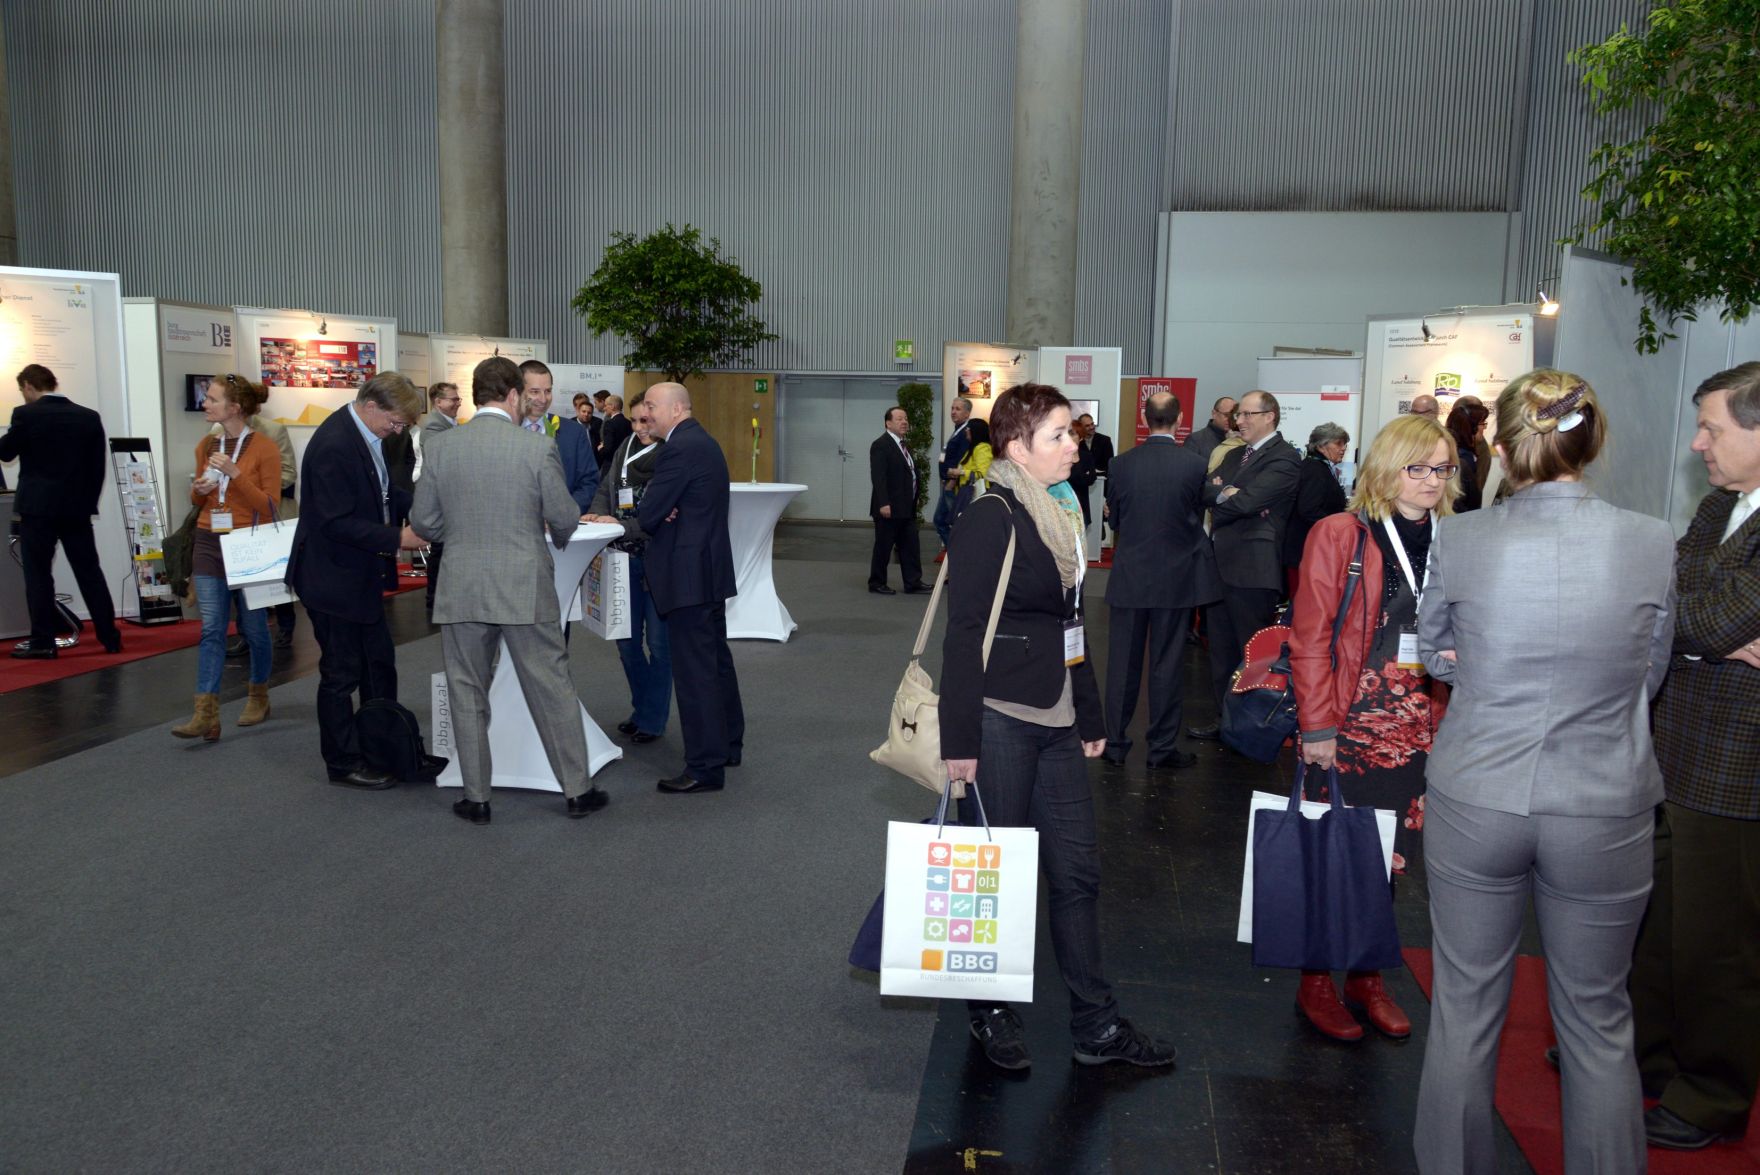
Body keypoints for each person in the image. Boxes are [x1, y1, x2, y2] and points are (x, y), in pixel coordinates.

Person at [1411, 370, 1675, 1173]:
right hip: (1603, 801)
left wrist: (1482, 669)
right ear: (1591, 440)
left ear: (1498, 444)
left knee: (1464, 1006)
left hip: (1479, 792)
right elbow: (1650, 673)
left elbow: (1432, 653)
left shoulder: (1459, 537)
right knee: (1597, 1017)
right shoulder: (1653, 539)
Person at [941, 382, 1177, 1072]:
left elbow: (1071, 620)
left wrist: (1091, 710)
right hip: (999, 720)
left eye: (1072, 433)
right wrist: (960, 742)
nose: (1075, 444)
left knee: (1077, 872)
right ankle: (989, 1011)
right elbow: (963, 633)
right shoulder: (991, 514)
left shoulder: (1061, 512)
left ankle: (1095, 1024)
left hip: (1057, 718)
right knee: (996, 878)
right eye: (1059, 435)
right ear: (1017, 446)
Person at [1288, 413, 1457, 1043]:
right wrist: (1317, 726)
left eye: (1441, 468)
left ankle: (1367, 977)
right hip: (1348, 720)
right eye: (1418, 467)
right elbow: (1308, 637)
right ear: (1387, 468)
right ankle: (1315, 982)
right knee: (1333, 854)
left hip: (1420, 725)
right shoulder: (1341, 533)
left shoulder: (1454, 537)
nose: (1431, 480)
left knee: (1389, 862)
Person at [1632, 360, 1760, 1152]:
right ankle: (1648, 1058)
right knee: (1657, 921)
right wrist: (1708, 633)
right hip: (1675, 745)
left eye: (1712, 425)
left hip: (1739, 766)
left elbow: (1707, 621)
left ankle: (1712, 1093)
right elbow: (1667, 596)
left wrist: (1702, 629)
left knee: (1719, 939)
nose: (1698, 442)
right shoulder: (1720, 503)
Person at [410, 356, 608, 825]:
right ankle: (577, 791)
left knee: (466, 689)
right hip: (525, 585)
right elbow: (563, 517)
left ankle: (476, 797)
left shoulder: (442, 447)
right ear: (515, 394)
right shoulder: (534, 450)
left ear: (475, 395)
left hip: (461, 586)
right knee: (552, 686)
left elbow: (424, 522)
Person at [285, 372, 428, 789]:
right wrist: (397, 537)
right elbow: (334, 522)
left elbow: (385, 493)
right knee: (341, 675)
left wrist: (424, 507)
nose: (398, 431)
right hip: (332, 580)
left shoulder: (366, 436)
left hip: (356, 577)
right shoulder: (334, 445)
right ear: (371, 407)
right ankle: (343, 762)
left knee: (379, 667)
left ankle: (383, 748)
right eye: (396, 423)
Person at [635, 382, 745, 794]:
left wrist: (661, 510)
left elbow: (648, 513)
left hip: (687, 577)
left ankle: (703, 766)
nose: (646, 414)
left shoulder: (680, 448)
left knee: (695, 674)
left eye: (651, 406)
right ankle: (728, 744)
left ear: (677, 408)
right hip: (707, 572)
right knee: (715, 663)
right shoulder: (704, 441)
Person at [1101, 391, 1219, 770]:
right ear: (1180, 418)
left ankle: (1115, 744)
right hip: (1176, 577)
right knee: (1167, 664)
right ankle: (1161, 748)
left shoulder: (1120, 464)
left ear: (1144, 416)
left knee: (1122, 665)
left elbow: (1115, 521)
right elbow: (1197, 514)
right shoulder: (1195, 465)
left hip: (1131, 575)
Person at [173, 375, 281, 740]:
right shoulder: (207, 444)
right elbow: (198, 500)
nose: (205, 403)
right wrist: (199, 489)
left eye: (212, 399)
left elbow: (269, 506)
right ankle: (206, 712)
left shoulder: (264, 447)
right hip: (208, 541)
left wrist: (234, 474)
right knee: (212, 629)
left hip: (249, 544)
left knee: (253, 628)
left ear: (234, 408)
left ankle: (259, 694)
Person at [1191, 390, 1301, 740]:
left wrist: (1229, 495)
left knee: (1250, 652)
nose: (1239, 421)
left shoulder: (1285, 458)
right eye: (1238, 415)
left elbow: (1248, 502)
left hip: (1253, 570)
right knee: (1220, 649)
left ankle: (1249, 725)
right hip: (1220, 563)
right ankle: (1225, 720)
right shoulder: (1236, 454)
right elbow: (1205, 491)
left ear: (1270, 416)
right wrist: (1228, 493)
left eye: (1247, 415)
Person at [0, 363, 122, 658]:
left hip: (37, 509)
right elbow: (97, 468)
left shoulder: (26, 414)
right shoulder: (88, 417)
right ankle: (110, 637)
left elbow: (5, 453)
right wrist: (86, 502)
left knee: (39, 575)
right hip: (76, 510)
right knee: (89, 571)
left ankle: (43, 642)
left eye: (22, 390)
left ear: (28, 386)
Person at [585, 390, 671, 743]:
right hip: (622, 557)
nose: (639, 427)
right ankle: (643, 709)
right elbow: (608, 486)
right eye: (634, 421)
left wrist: (617, 521)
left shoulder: (670, 454)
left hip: (658, 561)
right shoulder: (625, 448)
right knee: (626, 642)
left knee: (661, 645)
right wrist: (597, 513)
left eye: (646, 420)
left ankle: (652, 718)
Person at [518, 361, 598, 513]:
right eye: (534, 392)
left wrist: (563, 514)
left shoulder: (573, 432)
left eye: (548, 391)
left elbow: (589, 482)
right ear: (518, 391)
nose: (543, 399)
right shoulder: (505, 433)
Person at [1283, 422, 1350, 596]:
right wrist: (1337, 528)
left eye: (1345, 444)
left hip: (1310, 551)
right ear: (1321, 446)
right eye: (1338, 443)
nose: (1343, 448)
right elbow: (1308, 509)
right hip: (1305, 552)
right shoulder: (1314, 470)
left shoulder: (1318, 468)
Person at [868, 406, 924, 595]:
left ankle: (913, 582)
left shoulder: (903, 445)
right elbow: (879, 477)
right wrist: (884, 502)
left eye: (906, 419)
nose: (904, 422)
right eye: (899, 419)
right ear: (888, 423)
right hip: (889, 507)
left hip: (906, 508)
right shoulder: (881, 445)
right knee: (883, 547)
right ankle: (876, 583)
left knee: (910, 546)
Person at [418, 381, 461, 612]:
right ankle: (434, 597)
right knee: (440, 549)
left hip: (450, 496)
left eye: (458, 399)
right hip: (444, 498)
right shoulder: (435, 426)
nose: (458, 403)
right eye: (453, 399)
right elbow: (444, 460)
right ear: (438, 402)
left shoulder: (448, 424)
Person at [934, 397, 987, 552]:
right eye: (952, 408)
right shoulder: (958, 430)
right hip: (950, 483)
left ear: (967, 414)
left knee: (944, 521)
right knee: (946, 521)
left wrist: (952, 479)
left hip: (955, 485)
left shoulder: (966, 433)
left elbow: (962, 460)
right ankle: (957, 555)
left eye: (958, 409)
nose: (953, 412)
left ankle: (958, 554)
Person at [1443, 400, 1490, 513]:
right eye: (1482, 424)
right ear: (1472, 427)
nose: (1484, 428)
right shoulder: (1462, 458)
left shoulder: (1459, 451)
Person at [1184, 396, 1237, 463]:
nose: (1230, 420)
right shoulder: (1195, 440)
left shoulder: (1240, 440)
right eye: (1226, 415)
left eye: (1233, 416)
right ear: (1214, 414)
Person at [597, 395, 632, 476]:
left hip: (611, 463)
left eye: (605, 405)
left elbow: (608, 449)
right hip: (625, 462)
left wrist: (601, 449)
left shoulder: (609, 423)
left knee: (605, 487)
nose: (604, 408)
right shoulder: (628, 422)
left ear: (612, 406)